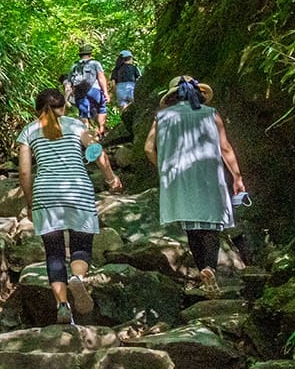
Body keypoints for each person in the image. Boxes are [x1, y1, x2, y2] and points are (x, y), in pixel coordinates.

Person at [17, 88, 123, 324]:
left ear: (37, 110)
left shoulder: (29, 131)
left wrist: (30, 202)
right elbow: (97, 152)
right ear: (63, 107)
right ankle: (77, 277)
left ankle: (62, 306)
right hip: (78, 191)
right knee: (81, 245)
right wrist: (110, 178)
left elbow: (24, 172)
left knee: (54, 253)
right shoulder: (76, 125)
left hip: (46, 194)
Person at [145, 75, 248, 282]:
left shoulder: (162, 117)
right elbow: (225, 148)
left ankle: (203, 271)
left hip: (178, 178)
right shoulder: (211, 114)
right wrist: (237, 177)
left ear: (173, 96)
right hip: (209, 175)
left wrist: (164, 169)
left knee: (192, 227)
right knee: (210, 226)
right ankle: (209, 268)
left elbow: (148, 148)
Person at [65, 47, 111, 136]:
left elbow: (69, 83)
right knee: (101, 108)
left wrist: (68, 96)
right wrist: (105, 92)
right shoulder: (95, 63)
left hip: (80, 92)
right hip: (95, 90)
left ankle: (86, 135)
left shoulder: (74, 66)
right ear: (90, 55)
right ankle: (101, 132)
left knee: (83, 114)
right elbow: (101, 77)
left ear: (80, 55)